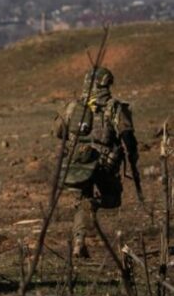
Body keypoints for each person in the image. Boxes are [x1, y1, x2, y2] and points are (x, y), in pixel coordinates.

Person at [53, 67, 138, 258]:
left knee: (82, 202)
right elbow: (127, 136)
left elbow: (58, 131)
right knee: (113, 199)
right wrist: (132, 155)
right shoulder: (113, 106)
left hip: (79, 163)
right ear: (106, 83)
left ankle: (78, 243)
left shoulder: (74, 106)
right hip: (103, 162)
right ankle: (92, 207)